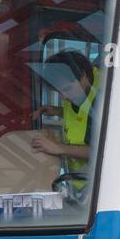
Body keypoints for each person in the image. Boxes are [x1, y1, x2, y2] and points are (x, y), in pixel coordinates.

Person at [28, 49, 100, 180]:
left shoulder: (106, 101)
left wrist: (57, 147)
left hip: (98, 187)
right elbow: (86, 117)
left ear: (83, 76)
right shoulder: (79, 92)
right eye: (58, 91)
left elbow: (104, 151)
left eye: (67, 89)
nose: (63, 97)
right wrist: (58, 111)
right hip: (79, 182)